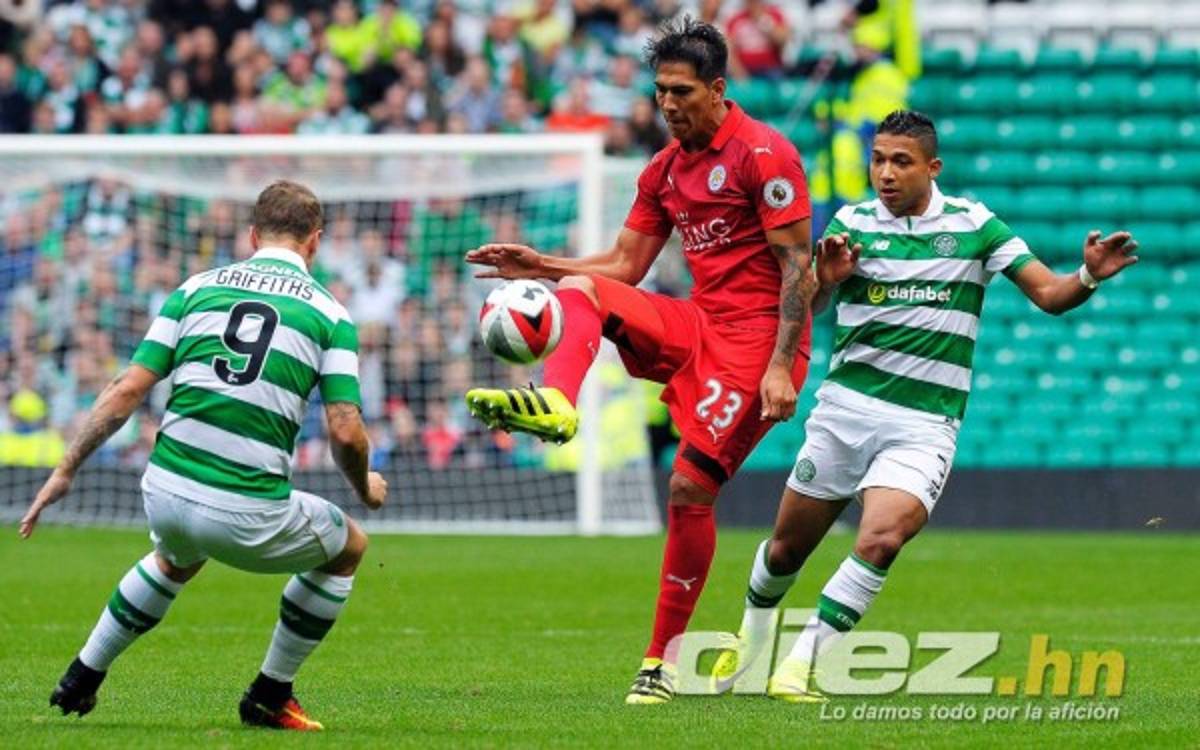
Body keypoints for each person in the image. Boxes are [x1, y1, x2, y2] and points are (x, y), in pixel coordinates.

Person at [712, 111, 1139, 701]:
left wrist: (1087, 277)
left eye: (900, 162)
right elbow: (803, 314)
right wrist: (826, 281)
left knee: (883, 537)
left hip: (923, 424)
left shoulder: (975, 225)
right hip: (844, 413)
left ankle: (799, 664)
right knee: (786, 549)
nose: (885, 173)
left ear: (932, 167)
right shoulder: (850, 223)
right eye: (878, 159)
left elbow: (1049, 295)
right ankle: (751, 638)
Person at [464, 18, 814, 704]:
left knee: (688, 489)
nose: (668, 104)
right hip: (699, 323)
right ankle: (559, 402)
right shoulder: (663, 169)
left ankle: (660, 660)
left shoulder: (764, 155)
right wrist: (539, 263)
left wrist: (779, 367)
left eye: (681, 91)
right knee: (579, 289)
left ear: (717, 89)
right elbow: (627, 264)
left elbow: (797, 267)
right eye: (659, 91)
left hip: (756, 344)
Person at [19, 180, 388, 730]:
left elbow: (125, 391)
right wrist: (365, 488)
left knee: (176, 559)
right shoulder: (330, 315)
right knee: (350, 547)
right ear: (315, 242)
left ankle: (81, 674)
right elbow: (346, 430)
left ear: (252, 234)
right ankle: (270, 694)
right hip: (244, 511)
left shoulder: (195, 289)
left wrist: (66, 468)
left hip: (164, 491)